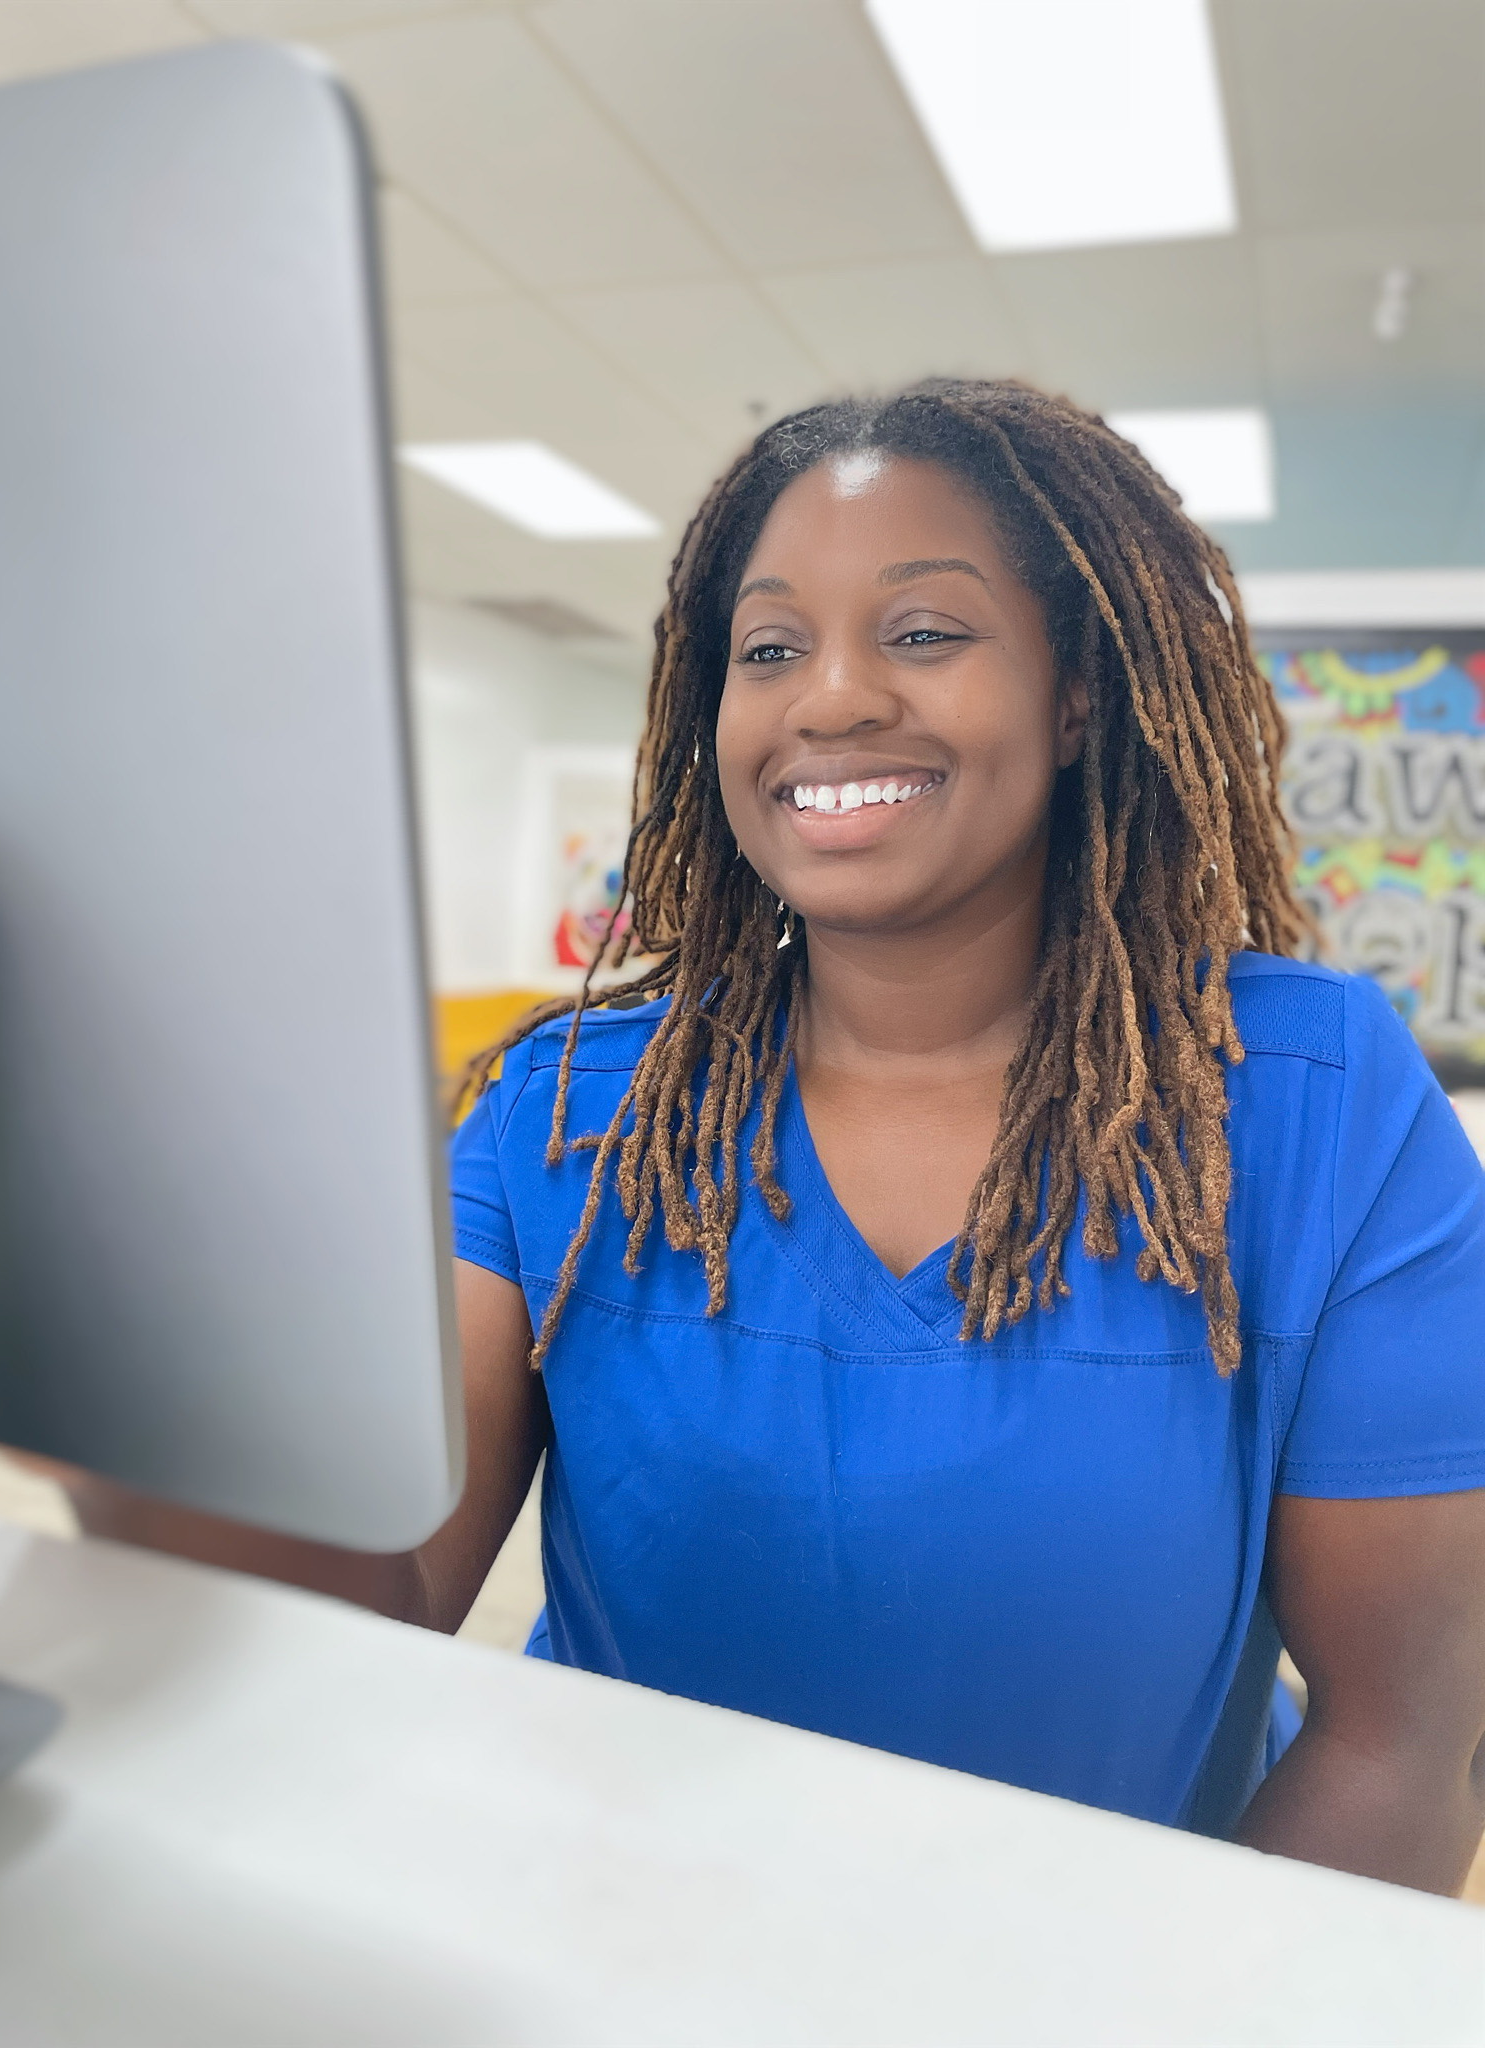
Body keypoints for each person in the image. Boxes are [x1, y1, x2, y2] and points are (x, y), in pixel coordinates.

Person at [73, 379, 1485, 1895]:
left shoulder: (1307, 1095)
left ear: (1078, 696)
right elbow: (383, 1599)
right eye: (768, 649)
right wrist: (94, 1343)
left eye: (925, 632)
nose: (830, 698)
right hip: (627, 1960)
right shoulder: (569, 1116)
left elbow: (1402, 1742)